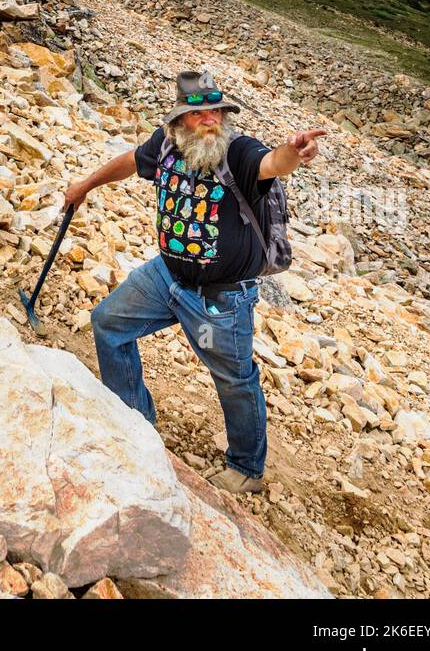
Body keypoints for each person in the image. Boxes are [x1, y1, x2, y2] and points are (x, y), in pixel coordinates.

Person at [63, 69, 326, 493]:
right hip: (165, 275)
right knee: (109, 323)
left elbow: (273, 163)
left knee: (235, 380)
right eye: (198, 112)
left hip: (218, 300)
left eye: (217, 112)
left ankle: (246, 469)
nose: (210, 120)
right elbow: (131, 161)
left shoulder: (238, 152)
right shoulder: (165, 146)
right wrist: (86, 185)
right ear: (178, 121)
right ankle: (135, 421)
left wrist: (295, 151)